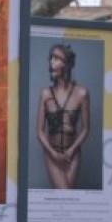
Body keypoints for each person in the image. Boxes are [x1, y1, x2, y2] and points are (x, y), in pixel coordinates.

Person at [36, 44, 91, 189]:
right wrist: (53, 154)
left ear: (66, 64)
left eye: (56, 58)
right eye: (51, 58)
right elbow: (40, 131)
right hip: (52, 153)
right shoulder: (45, 94)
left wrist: (72, 150)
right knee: (64, 193)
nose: (51, 62)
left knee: (67, 198)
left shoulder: (82, 93)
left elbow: (86, 129)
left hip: (72, 154)